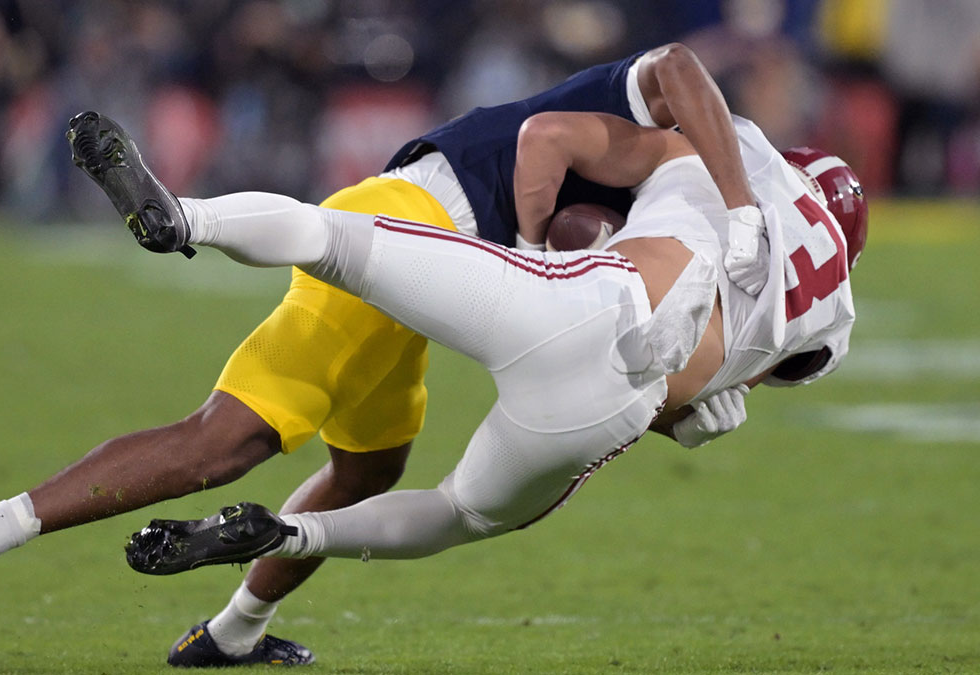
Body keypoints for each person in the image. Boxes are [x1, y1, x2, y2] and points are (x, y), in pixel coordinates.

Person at [0, 44, 779, 667]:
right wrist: (562, 252)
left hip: (441, 256)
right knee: (223, 441)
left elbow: (604, 353)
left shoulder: (676, 191)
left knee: (369, 466)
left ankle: (234, 632)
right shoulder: (680, 148)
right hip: (429, 221)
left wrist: (684, 406)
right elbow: (662, 81)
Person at [107, 111, 862, 590]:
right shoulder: (832, 317)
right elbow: (742, 374)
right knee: (460, 512)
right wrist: (697, 414)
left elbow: (551, 136)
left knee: (331, 236)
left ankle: (184, 219)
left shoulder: (726, 153)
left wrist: (542, 246)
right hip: (616, 406)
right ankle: (291, 533)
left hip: (589, 295)